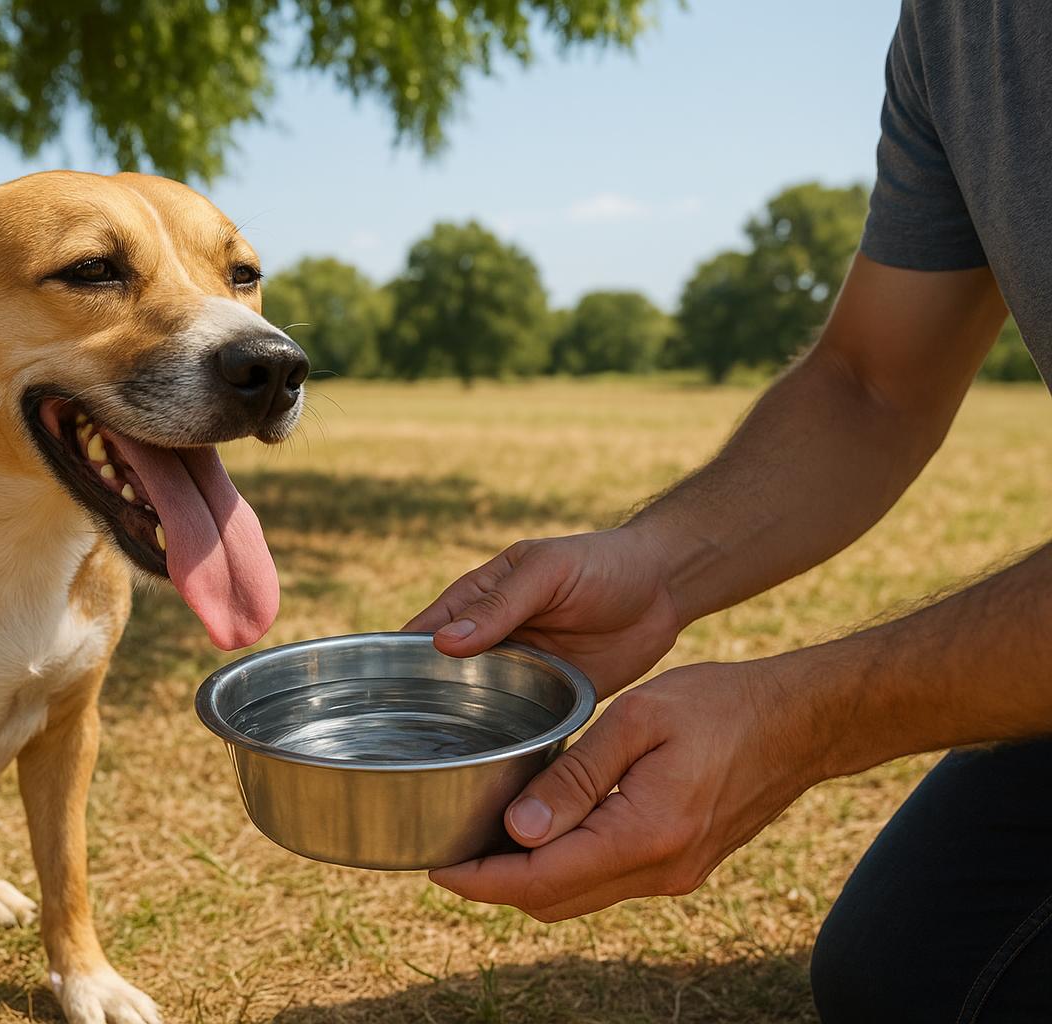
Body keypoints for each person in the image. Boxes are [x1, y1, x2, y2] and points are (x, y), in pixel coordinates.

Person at [406, 3, 1052, 1020]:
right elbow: (871, 383)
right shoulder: (959, 28)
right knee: (922, 965)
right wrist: (656, 567)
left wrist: (803, 718)